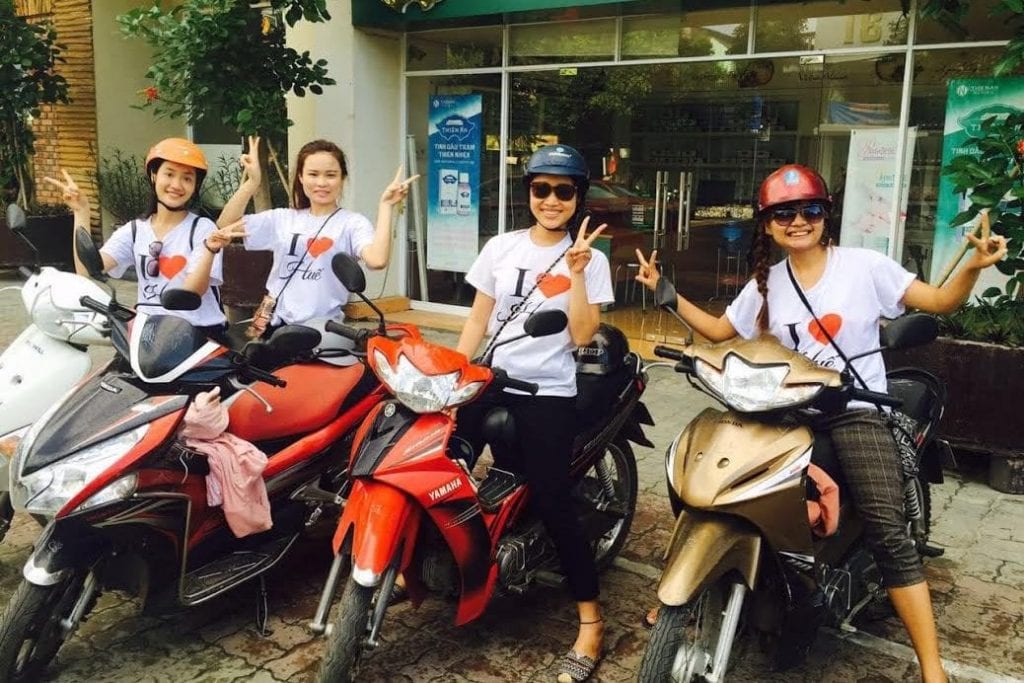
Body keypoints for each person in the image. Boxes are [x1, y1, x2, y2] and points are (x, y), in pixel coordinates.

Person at [635, 164, 1008, 682]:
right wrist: (667, 293)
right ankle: (693, 587)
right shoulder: (768, 282)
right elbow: (722, 331)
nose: (797, 221)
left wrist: (974, 266)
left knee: (888, 532)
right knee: (712, 476)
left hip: (856, 410)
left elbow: (940, 302)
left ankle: (932, 667)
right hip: (784, 410)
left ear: (824, 216)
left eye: (809, 209)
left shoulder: (863, 267)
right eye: (783, 213)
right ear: (767, 225)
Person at [454, 145, 615, 683]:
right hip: (491, 381)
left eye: (563, 190)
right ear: (528, 193)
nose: (551, 200)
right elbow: (479, 319)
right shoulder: (501, 246)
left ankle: (590, 621)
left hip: (548, 391)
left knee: (552, 498)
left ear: (578, 197)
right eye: (541, 189)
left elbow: (585, 335)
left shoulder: (591, 258)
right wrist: (452, 374)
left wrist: (577, 273)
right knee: (444, 462)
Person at [215, 137, 415, 337]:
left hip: (324, 330)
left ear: (342, 178)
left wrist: (386, 206)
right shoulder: (283, 218)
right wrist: (252, 183)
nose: (321, 182)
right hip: (272, 322)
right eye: (313, 174)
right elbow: (225, 225)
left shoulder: (352, 223)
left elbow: (377, 260)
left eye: (330, 175)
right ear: (301, 177)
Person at [45, 138, 235, 338]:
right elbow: (87, 271)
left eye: (187, 178)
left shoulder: (202, 228)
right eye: (169, 174)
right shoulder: (135, 230)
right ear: (154, 175)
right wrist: (81, 212)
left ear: (195, 185)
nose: (176, 185)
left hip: (198, 332)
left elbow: (194, 290)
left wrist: (210, 250)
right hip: (150, 333)